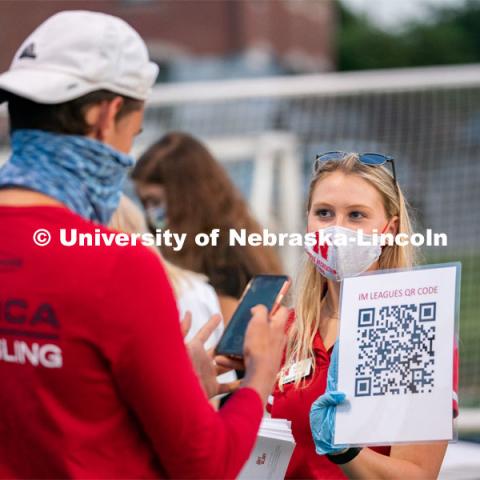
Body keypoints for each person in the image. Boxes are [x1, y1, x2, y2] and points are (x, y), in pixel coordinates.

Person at [0, 11, 287, 478]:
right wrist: (259, 375)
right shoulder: (117, 264)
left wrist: (174, 383)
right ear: (106, 115)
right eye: (132, 137)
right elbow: (205, 463)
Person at [267, 152, 457, 479]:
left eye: (356, 215)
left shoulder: (420, 332)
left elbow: (418, 475)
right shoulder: (284, 328)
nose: (337, 229)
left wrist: (346, 451)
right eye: (324, 213)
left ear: (389, 229)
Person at [131, 132, 284, 322]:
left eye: (155, 201)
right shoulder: (173, 244)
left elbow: (231, 335)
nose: (149, 212)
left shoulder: (228, 254)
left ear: (187, 196)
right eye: (143, 202)